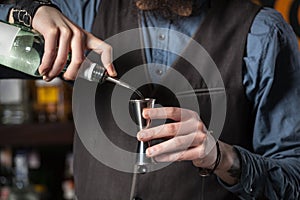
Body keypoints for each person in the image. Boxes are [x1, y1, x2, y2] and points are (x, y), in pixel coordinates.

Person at [0, 0, 300, 199]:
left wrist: (223, 158)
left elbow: (294, 179)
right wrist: (27, 11)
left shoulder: (263, 34)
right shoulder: (87, 9)